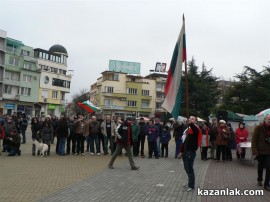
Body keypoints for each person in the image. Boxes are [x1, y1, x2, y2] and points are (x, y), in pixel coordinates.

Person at [179, 116, 201, 192]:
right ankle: (189, 183)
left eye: (192, 119)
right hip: (185, 151)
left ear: (195, 121)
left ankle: (191, 185)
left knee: (190, 168)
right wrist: (181, 151)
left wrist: (191, 124)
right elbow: (184, 141)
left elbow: (195, 131)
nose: (191, 119)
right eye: (190, 118)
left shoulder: (196, 129)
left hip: (191, 152)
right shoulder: (187, 130)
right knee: (186, 168)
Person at [251, 114, 270, 191]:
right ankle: (259, 179)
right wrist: (255, 151)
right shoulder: (258, 128)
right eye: (268, 119)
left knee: (269, 167)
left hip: (269, 152)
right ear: (264, 120)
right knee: (260, 167)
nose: (269, 121)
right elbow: (254, 140)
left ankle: (267, 184)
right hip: (260, 151)